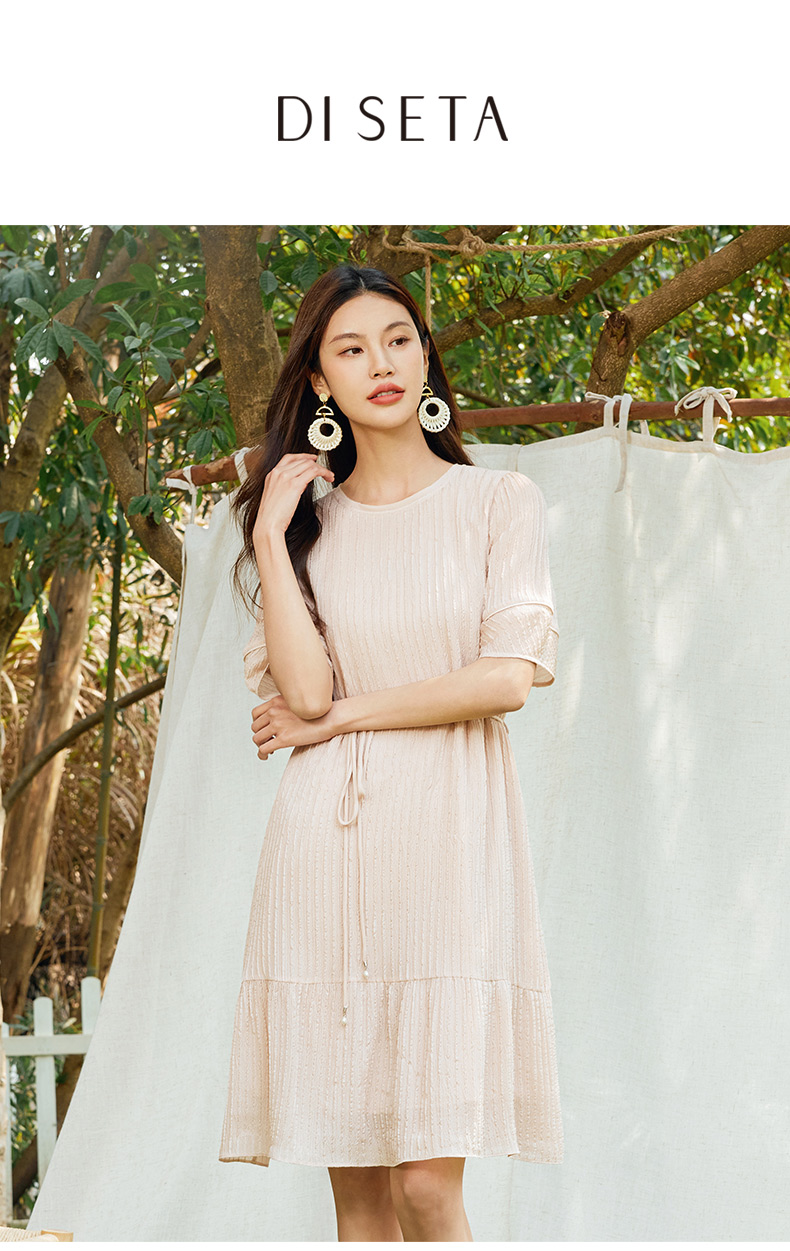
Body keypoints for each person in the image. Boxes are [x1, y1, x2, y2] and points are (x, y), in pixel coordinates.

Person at [218, 264, 564, 1241]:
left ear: (424, 354)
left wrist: (341, 720)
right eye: (352, 348)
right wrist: (273, 536)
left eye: (399, 339)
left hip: (449, 850)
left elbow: (506, 678)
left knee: (425, 1188)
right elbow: (304, 694)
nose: (382, 363)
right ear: (320, 381)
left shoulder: (499, 500)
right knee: (362, 1201)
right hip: (325, 860)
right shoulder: (310, 532)